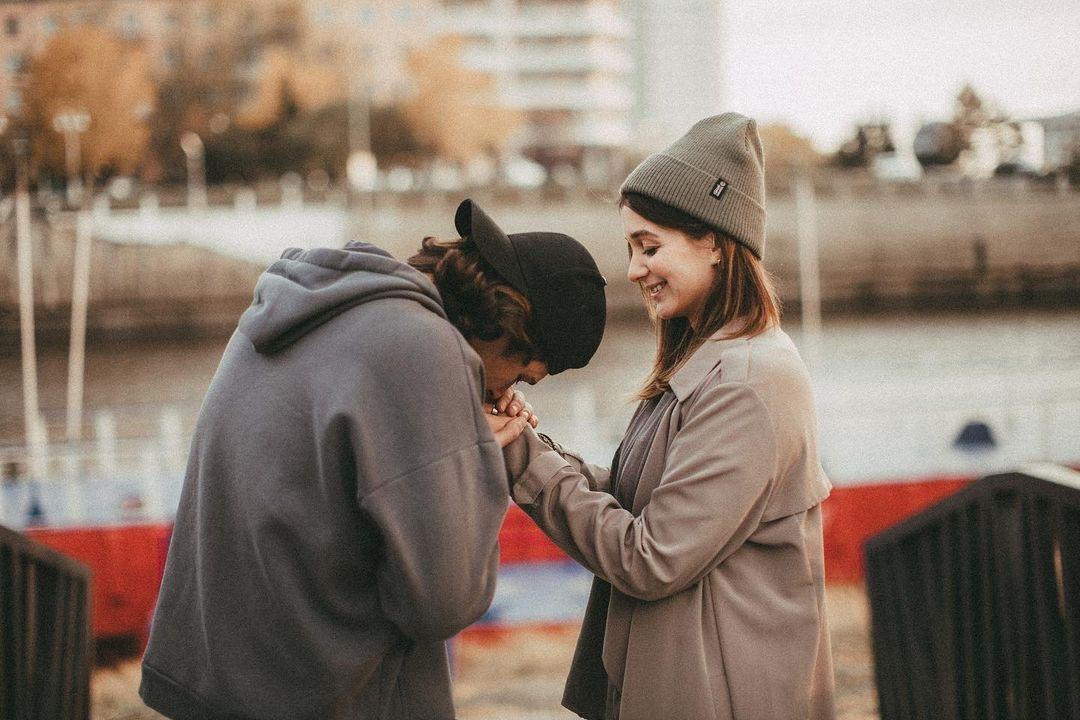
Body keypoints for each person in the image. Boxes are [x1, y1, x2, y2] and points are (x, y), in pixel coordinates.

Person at [139, 199, 607, 720]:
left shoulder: (313, 302)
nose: (504, 393)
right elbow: (445, 601)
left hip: (218, 677)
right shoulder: (424, 348)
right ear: (509, 324)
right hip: (327, 696)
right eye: (520, 376)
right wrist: (471, 463)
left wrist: (450, 428)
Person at [498, 114, 835, 719]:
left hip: (722, 696)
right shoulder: (713, 365)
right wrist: (525, 441)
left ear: (715, 241)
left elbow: (650, 557)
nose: (634, 270)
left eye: (650, 247)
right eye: (632, 249)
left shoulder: (748, 384)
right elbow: (635, 500)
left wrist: (522, 461)